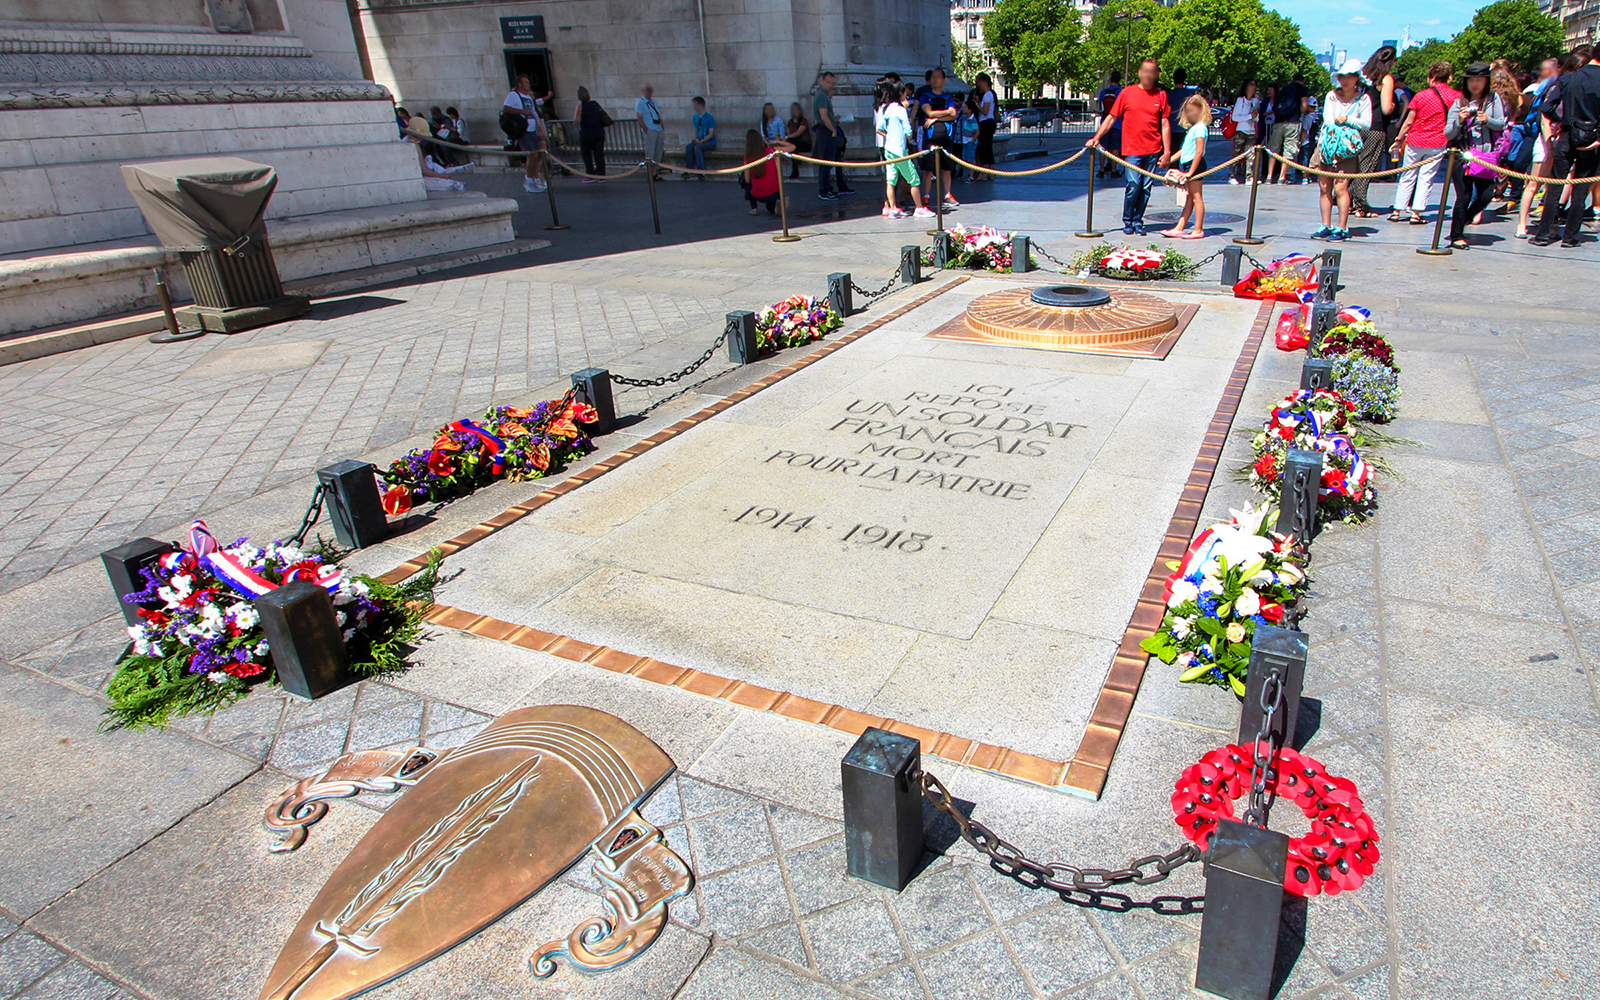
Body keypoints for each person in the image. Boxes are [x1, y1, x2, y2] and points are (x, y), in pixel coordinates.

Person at [1086, 56, 1171, 235]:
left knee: (1146, 189)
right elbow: (1111, 117)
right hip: (1133, 150)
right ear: (1140, 73)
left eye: (1152, 72)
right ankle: (1128, 220)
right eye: (1145, 71)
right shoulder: (1126, 93)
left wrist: (1167, 151)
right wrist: (1097, 137)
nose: (1148, 75)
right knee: (1133, 185)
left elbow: (1164, 124)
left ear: (1156, 74)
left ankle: (1138, 220)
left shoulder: (1161, 95)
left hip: (1153, 150)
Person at [1532, 47, 1600, 247]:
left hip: (1567, 136)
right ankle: (1570, 237)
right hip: (1592, 139)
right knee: (1580, 189)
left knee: (1554, 187)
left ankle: (1543, 234)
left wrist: (1562, 121)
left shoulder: (1569, 78)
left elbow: (1546, 107)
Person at [1444, 62, 1508, 249]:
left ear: (1486, 81)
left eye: (1479, 79)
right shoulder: (1459, 102)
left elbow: (1502, 124)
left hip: (1485, 156)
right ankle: (1457, 235)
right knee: (1463, 196)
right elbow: (1448, 133)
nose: (1475, 84)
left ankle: (1464, 219)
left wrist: (1487, 120)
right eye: (1472, 80)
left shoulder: (1494, 99)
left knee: (1487, 195)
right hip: (1462, 155)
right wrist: (1460, 120)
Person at [1388, 60, 1460, 224]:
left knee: (1407, 175)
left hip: (1415, 140)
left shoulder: (1421, 95)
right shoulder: (1456, 96)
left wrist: (1399, 140)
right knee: (1426, 177)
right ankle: (1416, 213)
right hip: (1438, 141)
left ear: (1432, 77)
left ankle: (1397, 210)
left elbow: (1409, 121)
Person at [1311, 60, 1373, 241]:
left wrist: (1348, 120)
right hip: (1327, 145)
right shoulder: (1331, 96)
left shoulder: (1363, 99)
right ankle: (1325, 224)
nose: (1345, 80)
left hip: (1346, 149)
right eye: (1342, 76)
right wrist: (1339, 122)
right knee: (1324, 187)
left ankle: (1342, 227)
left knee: (1341, 188)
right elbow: (1328, 119)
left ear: (1357, 79)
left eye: (1349, 76)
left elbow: (1367, 123)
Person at [1516, 58, 1563, 237]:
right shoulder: (1551, 89)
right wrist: (1550, 146)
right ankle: (1521, 224)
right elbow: (1544, 120)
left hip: (1558, 142)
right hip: (1545, 142)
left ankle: (1547, 223)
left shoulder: (1560, 87)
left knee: (1552, 186)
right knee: (1533, 183)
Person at [1350, 47, 1398, 216]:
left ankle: (1347, 201)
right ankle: (1361, 207)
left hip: (1359, 125)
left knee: (1354, 165)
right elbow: (1385, 108)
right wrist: (1393, 106)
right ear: (1391, 61)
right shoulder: (1386, 79)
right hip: (1376, 127)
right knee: (1366, 168)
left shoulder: (1365, 77)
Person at [1161, 95, 1211, 240]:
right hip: (1189, 164)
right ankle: (1180, 227)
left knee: (1196, 198)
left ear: (1200, 109)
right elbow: (1184, 150)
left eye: (1192, 110)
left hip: (1195, 165)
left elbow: (1199, 151)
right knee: (1189, 199)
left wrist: (1190, 172)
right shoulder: (1193, 128)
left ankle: (1198, 229)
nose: (1190, 114)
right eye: (1187, 111)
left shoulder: (1200, 128)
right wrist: (1168, 160)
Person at [879, 82, 928, 218]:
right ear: (901, 93)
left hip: (888, 148)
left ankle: (892, 208)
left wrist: (890, 135)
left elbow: (880, 127)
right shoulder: (900, 110)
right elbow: (908, 130)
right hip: (899, 150)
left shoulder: (886, 108)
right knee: (914, 178)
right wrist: (906, 137)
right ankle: (919, 207)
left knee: (891, 179)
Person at [918, 67, 960, 209]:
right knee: (928, 170)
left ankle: (947, 194)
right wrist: (945, 113)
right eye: (933, 76)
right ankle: (926, 195)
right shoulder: (925, 96)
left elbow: (953, 114)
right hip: (930, 138)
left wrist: (935, 118)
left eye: (938, 76)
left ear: (943, 80)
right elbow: (928, 111)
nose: (935, 79)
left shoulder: (948, 97)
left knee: (947, 168)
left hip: (946, 137)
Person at [403, 116, 471, 191]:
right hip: (416, 179)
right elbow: (423, 171)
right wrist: (441, 175)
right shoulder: (414, 146)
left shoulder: (404, 141)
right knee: (455, 185)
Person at [503, 76, 546, 192]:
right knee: (532, 155)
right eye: (526, 82)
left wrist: (539, 131)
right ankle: (529, 180)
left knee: (538, 155)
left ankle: (535, 177)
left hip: (532, 129)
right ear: (520, 84)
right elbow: (506, 108)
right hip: (523, 129)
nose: (529, 84)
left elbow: (534, 114)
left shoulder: (529, 97)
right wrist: (521, 111)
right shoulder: (513, 95)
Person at [1266, 73, 1310, 183]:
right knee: (1288, 150)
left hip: (1279, 121)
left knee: (1273, 149)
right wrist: (1299, 113)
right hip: (1293, 122)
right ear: (1302, 81)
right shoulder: (1302, 89)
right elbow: (1304, 105)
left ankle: (1269, 176)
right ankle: (1282, 177)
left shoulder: (1284, 88)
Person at [740, 128, 792, 216]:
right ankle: (777, 204)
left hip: (757, 194)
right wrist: (776, 141)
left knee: (744, 177)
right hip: (775, 192)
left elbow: (747, 180)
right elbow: (792, 147)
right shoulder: (772, 151)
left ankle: (754, 208)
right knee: (771, 206)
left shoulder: (747, 158)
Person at [813, 71, 844, 200]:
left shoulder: (824, 95)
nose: (830, 85)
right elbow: (823, 116)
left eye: (832, 83)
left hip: (827, 130)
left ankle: (827, 188)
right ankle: (824, 190)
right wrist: (833, 130)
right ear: (822, 81)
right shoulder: (821, 96)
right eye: (828, 82)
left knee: (827, 162)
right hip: (826, 132)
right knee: (826, 162)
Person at [574, 85, 610, 182]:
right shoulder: (595, 104)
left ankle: (590, 174)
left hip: (586, 133)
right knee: (599, 154)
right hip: (598, 131)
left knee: (586, 154)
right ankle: (602, 175)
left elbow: (577, 119)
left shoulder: (580, 105)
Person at [1229, 80, 1261, 183]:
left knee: (1250, 155)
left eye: (1255, 85)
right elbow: (1235, 117)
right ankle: (1232, 175)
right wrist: (1249, 116)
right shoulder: (1240, 100)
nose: (1254, 87)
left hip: (1251, 131)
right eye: (1251, 84)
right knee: (1237, 154)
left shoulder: (1255, 101)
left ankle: (1249, 177)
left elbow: (1256, 119)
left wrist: (1255, 116)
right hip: (1241, 131)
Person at [1096, 71, 1123, 176]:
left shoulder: (1103, 92)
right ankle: (1114, 170)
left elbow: (1100, 107)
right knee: (1116, 147)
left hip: (1105, 122)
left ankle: (1102, 169)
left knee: (1103, 147)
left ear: (1110, 80)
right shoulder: (1121, 92)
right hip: (1117, 122)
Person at [635, 83, 665, 175]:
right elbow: (639, 117)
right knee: (650, 153)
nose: (649, 92)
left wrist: (662, 128)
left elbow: (658, 115)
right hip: (650, 130)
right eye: (647, 89)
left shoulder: (654, 102)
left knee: (658, 153)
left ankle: (654, 173)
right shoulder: (640, 102)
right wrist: (646, 129)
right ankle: (650, 174)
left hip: (658, 129)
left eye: (650, 89)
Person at [685, 96, 716, 177]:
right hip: (699, 141)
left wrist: (701, 141)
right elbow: (695, 131)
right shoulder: (695, 117)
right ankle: (689, 169)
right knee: (689, 147)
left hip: (709, 142)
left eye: (695, 105)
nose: (694, 107)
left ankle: (701, 170)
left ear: (700, 105)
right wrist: (693, 140)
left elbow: (711, 133)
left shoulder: (709, 118)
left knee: (698, 148)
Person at [974, 73, 998, 174]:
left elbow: (985, 111)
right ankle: (990, 171)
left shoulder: (988, 94)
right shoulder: (989, 94)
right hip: (988, 122)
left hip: (986, 122)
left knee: (983, 147)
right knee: (987, 147)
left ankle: (984, 172)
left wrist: (977, 104)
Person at [784, 101, 811, 179]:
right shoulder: (790, 122)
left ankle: (795, 171)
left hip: (805, 143)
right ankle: (796, 165)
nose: (795, 111)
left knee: (792, 147)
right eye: (793, 110)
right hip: (794, 144)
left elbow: (798, 133)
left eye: (796, 109)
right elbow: (789, 135)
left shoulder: (803, 121)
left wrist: (787, 137)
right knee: (792, 146)